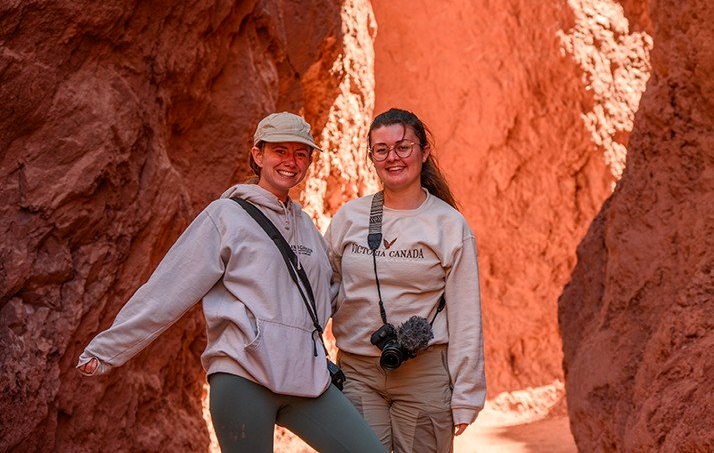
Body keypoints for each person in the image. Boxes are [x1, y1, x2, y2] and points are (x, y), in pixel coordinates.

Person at [77, 112, 384, 453]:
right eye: (279, 151)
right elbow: (167, 289)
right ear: (258, 155)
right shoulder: (226, 216)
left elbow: (331, 295)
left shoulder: (307, 228)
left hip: (306, 378)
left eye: (300, 153)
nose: (290, 161)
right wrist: (108, 350)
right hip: (243, 374)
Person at [325, 108, 486, 452]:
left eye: (403, 147)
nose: (392, 158)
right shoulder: (349, 218)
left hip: (423, 374)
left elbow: (466, 315)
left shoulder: (448, 224)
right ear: (371, 156)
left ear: (424, 152)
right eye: (381, 150)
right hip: (358, 373)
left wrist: (467, 393)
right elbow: (322, 290)